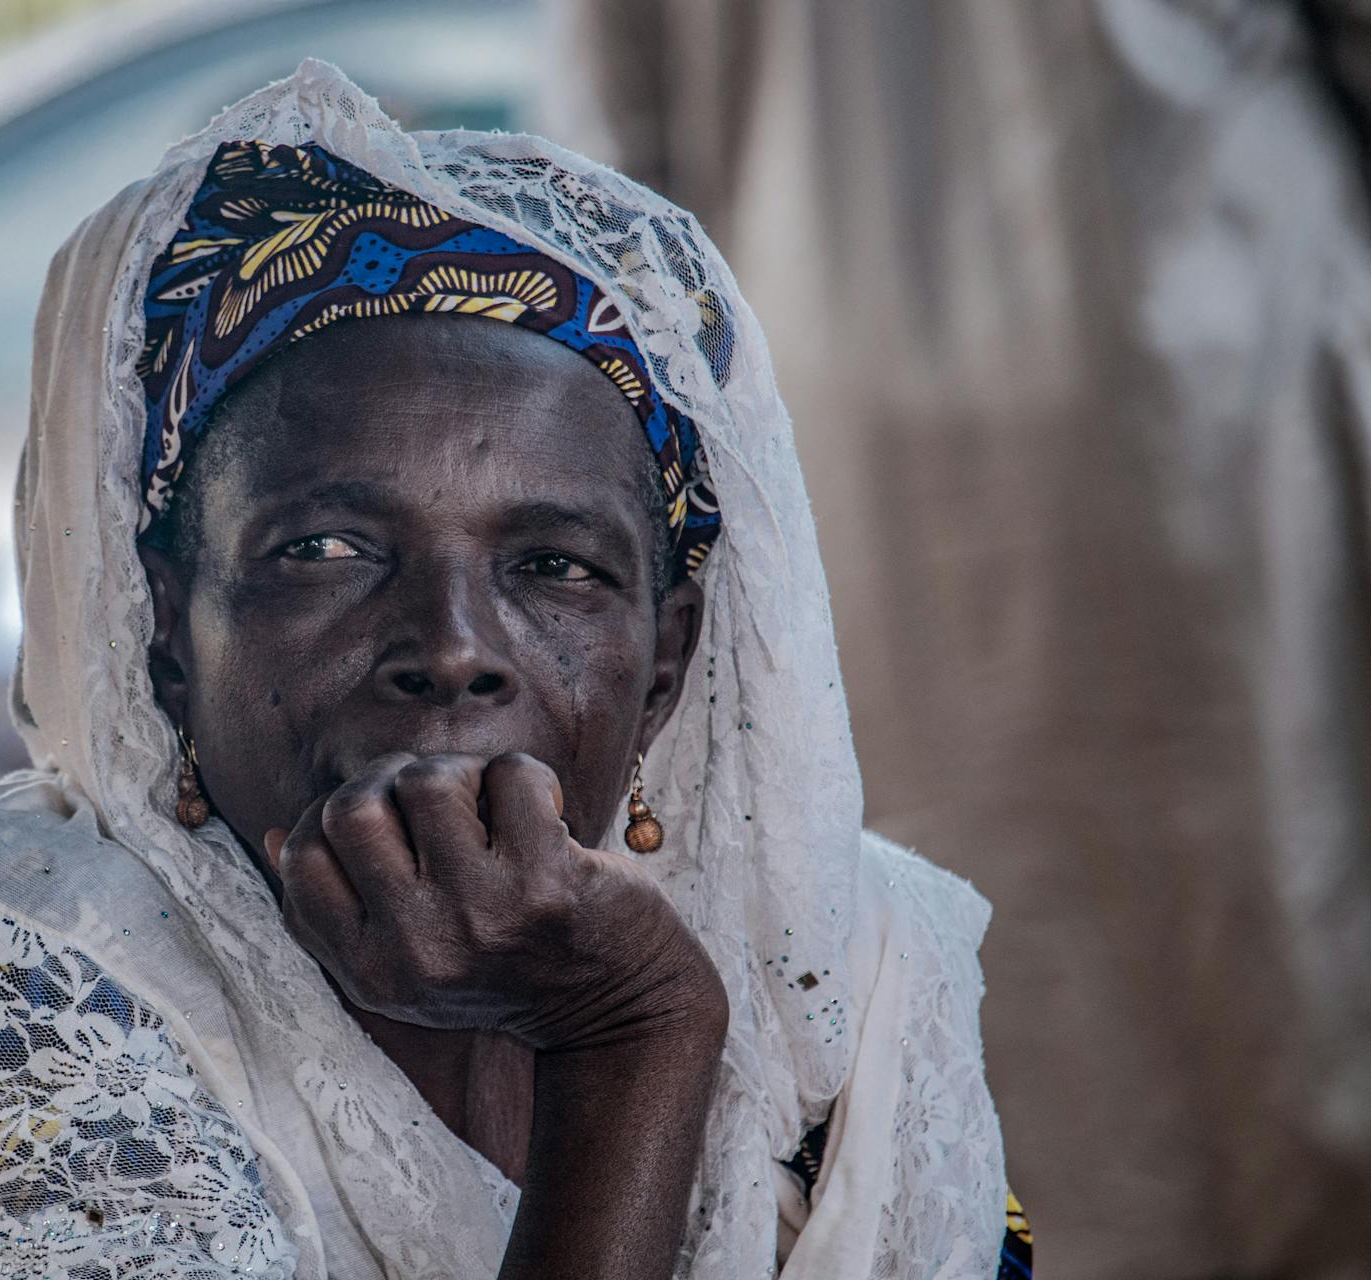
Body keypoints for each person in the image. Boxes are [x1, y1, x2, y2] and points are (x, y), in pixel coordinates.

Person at [0, 62, 1023, 1279]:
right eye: (330, 550)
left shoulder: (838, 975)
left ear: (668, 664)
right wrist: (634, 1041)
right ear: (161, 629)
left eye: (554, 569)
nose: (454, 649)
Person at [552, 3, 1371, 1274]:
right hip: (1196, 366)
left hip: (834, 415)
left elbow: (612, 172)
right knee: (1254, 955)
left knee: (947, 957)